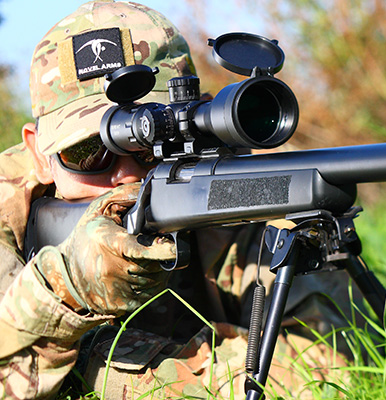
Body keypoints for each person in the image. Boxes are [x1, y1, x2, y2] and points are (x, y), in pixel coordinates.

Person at [0, 1, 360, 398]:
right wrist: (67, 289)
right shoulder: (8, 210)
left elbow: (328, 370)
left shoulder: (237, 192)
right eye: (89, 152)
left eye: (152, 145)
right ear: (40, 155)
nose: (128, 177)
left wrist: (88, 366)